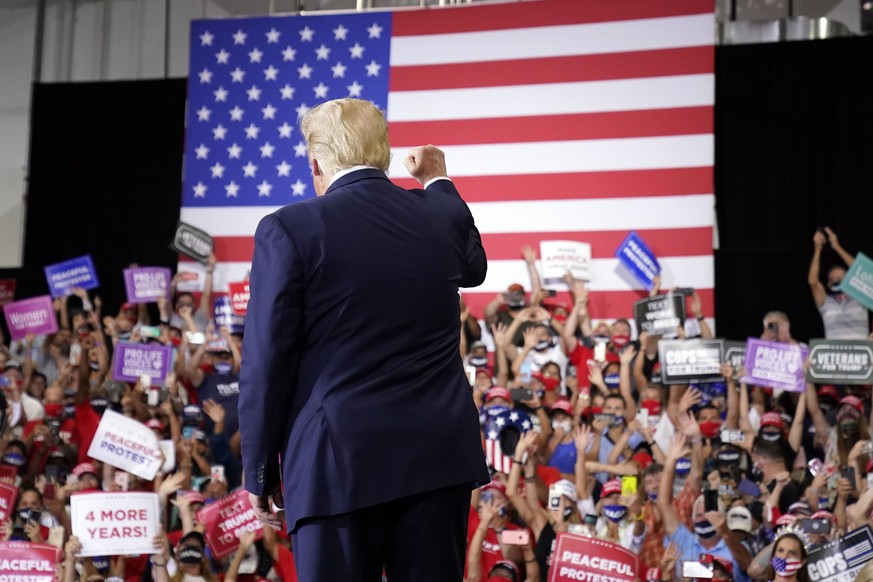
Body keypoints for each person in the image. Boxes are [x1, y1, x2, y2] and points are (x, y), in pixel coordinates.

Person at [239, 98, 489, 581]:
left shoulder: (289, 229)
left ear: (315, 162)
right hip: (437, 461)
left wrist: (260, 472)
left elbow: (266, 361)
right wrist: (438, 181)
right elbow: (474, 266)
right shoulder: (437, 213)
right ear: (384, 154)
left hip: (336, 467)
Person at [808, 227, 869, 339]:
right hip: (834, 355)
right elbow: (813, 282)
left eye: (840, 278)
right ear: (827, 284)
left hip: (861, 353)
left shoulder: (860, 298)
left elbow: (861, 274)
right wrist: (817, 249)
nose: (836, 281)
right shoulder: (826, 302)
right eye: (832, 279)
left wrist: (837, 247)